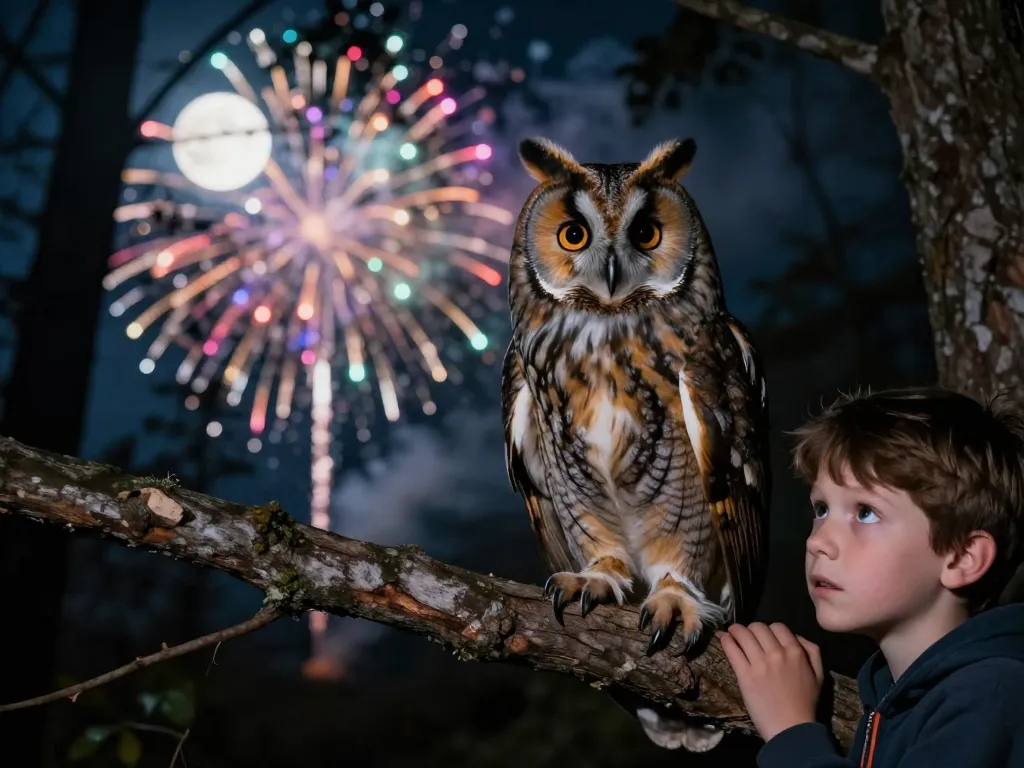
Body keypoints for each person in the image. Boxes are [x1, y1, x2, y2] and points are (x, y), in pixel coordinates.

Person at [718, 386, 1024, 767]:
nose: (818, 542)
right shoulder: (893, 698)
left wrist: (791, 732)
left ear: (962, 557)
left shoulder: (991, 695)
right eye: (821, 508)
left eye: (865, 513)